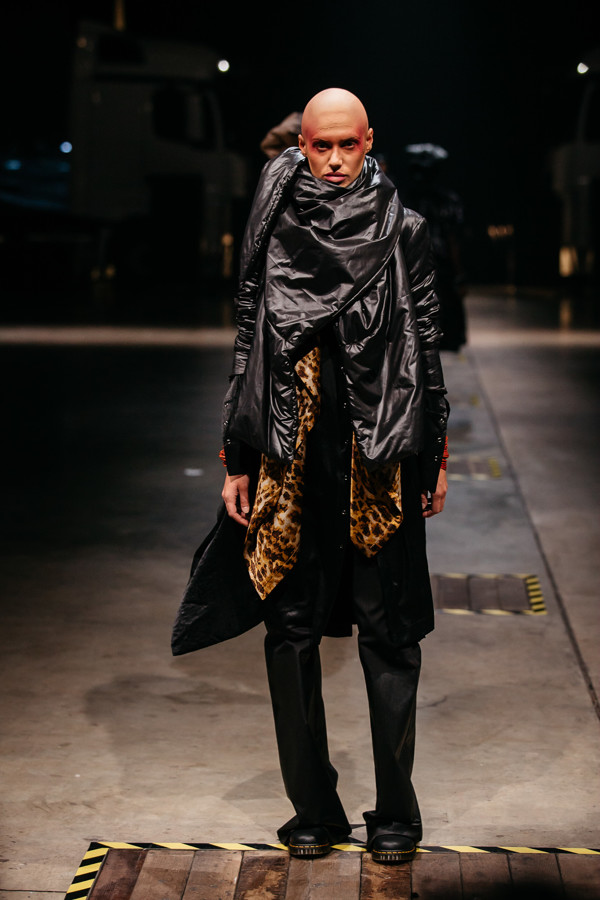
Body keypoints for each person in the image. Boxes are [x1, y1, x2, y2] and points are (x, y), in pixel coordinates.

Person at [171, 88, 449, 865]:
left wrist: (435, 456)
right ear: (302, 145)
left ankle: (396, 813)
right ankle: (313, 809)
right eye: (319, 146)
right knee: (290, 633)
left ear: (369, 142)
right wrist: (236, 456)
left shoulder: (404, 230)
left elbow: (426, 349)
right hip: (290, 455)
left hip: (378, 455)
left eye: (345, 145)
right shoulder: (274, 226)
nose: (331, 161)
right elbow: (249, 342)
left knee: (390, 635)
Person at [402, 143, 467, 352]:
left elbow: (453, 239)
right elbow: (453, 239)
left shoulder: (405, 199)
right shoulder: (406, 199)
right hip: (424, 261)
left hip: (429, 262)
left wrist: (459, 273)